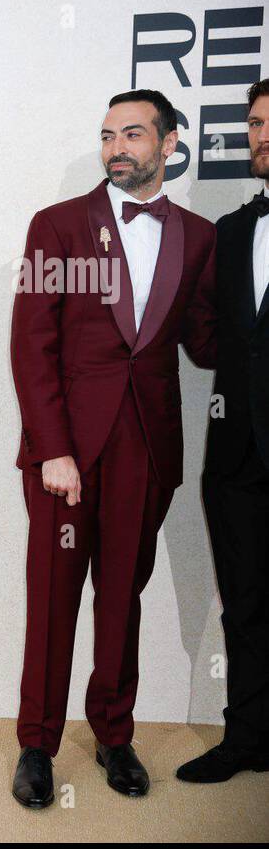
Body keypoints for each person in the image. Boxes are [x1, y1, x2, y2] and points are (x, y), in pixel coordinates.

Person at [8, 91, 217, 808]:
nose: (116, 147)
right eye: (107, 136)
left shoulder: (198, 236)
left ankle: (113, 733)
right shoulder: (58, 226)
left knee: (122, 599)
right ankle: (37, 744)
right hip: (68, 451)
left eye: (133, 134)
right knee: (53, 601)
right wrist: (52, 449)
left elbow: (207, 339)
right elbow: (31, 345)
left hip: (147, 449)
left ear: (170, 143)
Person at [179, 78, 269, 784]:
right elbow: (209, 342)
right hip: (236, 453)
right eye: (255, 123)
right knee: (245, 604)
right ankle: (246, 740)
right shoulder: (231, 231)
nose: (262, 134)